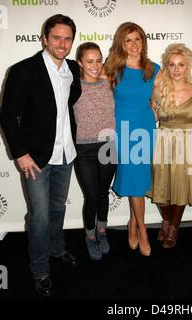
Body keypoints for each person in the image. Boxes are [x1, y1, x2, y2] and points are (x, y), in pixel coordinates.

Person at [0, 14, 81, 296]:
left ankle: (57, 249)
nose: (62, 43)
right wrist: (20, 153)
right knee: (40, 217)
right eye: (56, 37)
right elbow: (8, 115)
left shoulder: (73, 68)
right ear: (44, 39)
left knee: (58, 208)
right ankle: (40, 269)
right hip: (35, 159)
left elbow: (69, 101)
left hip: (66, 154)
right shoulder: (24, 70)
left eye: (67, 38)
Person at [104, 22, 161, 256]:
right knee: (135, 182)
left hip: (145, 129)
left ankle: (132, 223)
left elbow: (157, 103)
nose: (134, 44)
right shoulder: (111, 69)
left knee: (136, 181)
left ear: (143, 42)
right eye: (128, 40)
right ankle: (142, 230)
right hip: (122, 131)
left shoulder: (154, 69)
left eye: (137, 39)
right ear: (121, 43)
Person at [148, 43, 192, 249]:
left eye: (181, 65)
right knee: (159, 187)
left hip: (186, 143)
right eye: (172, 65)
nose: (176, 69)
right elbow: (153, 115)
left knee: (180, 188)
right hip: (162, 140)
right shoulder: (159, 87)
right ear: (166, 66)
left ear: (188, 66)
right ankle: (167, 221)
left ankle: (174, 227)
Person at [73, 42, 116, 261]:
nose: (95, 65)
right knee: (91, 196)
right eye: (89, 61)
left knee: (102, 193)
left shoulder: (109, 83)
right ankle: (90, 236)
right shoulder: (72, 86)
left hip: (108, 145)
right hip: (83, 149)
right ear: (79, 62)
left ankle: (102, 230)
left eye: (99, 60)